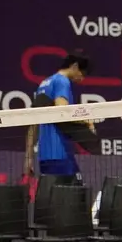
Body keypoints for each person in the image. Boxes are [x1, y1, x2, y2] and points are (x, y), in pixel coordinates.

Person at [25, 52, 90, 182]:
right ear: (74, 66)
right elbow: (63, 111)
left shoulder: (44, 84)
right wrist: (86, 120)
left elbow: (33, 124)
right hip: (60, 153)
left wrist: (28, 158)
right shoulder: (62, 81)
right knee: (76, 193)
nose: (82, 79)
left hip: (44, 157)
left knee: (55, 194)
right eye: (82, 73)